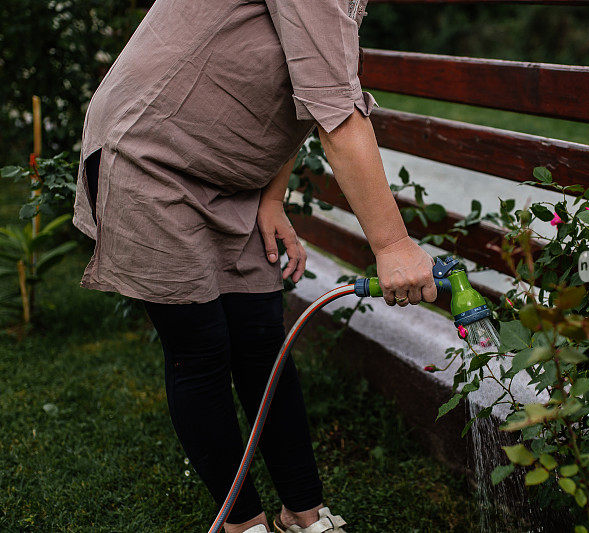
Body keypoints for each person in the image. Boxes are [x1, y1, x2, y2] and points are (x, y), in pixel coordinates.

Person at [71, 0, 437, 532]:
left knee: (262, 338)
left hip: (227, 171)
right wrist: (393, 245)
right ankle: (244, 524)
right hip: (151, 156)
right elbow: (336, 110)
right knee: (201, 348)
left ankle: (304, 514)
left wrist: (271, 197)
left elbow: (307, 81)